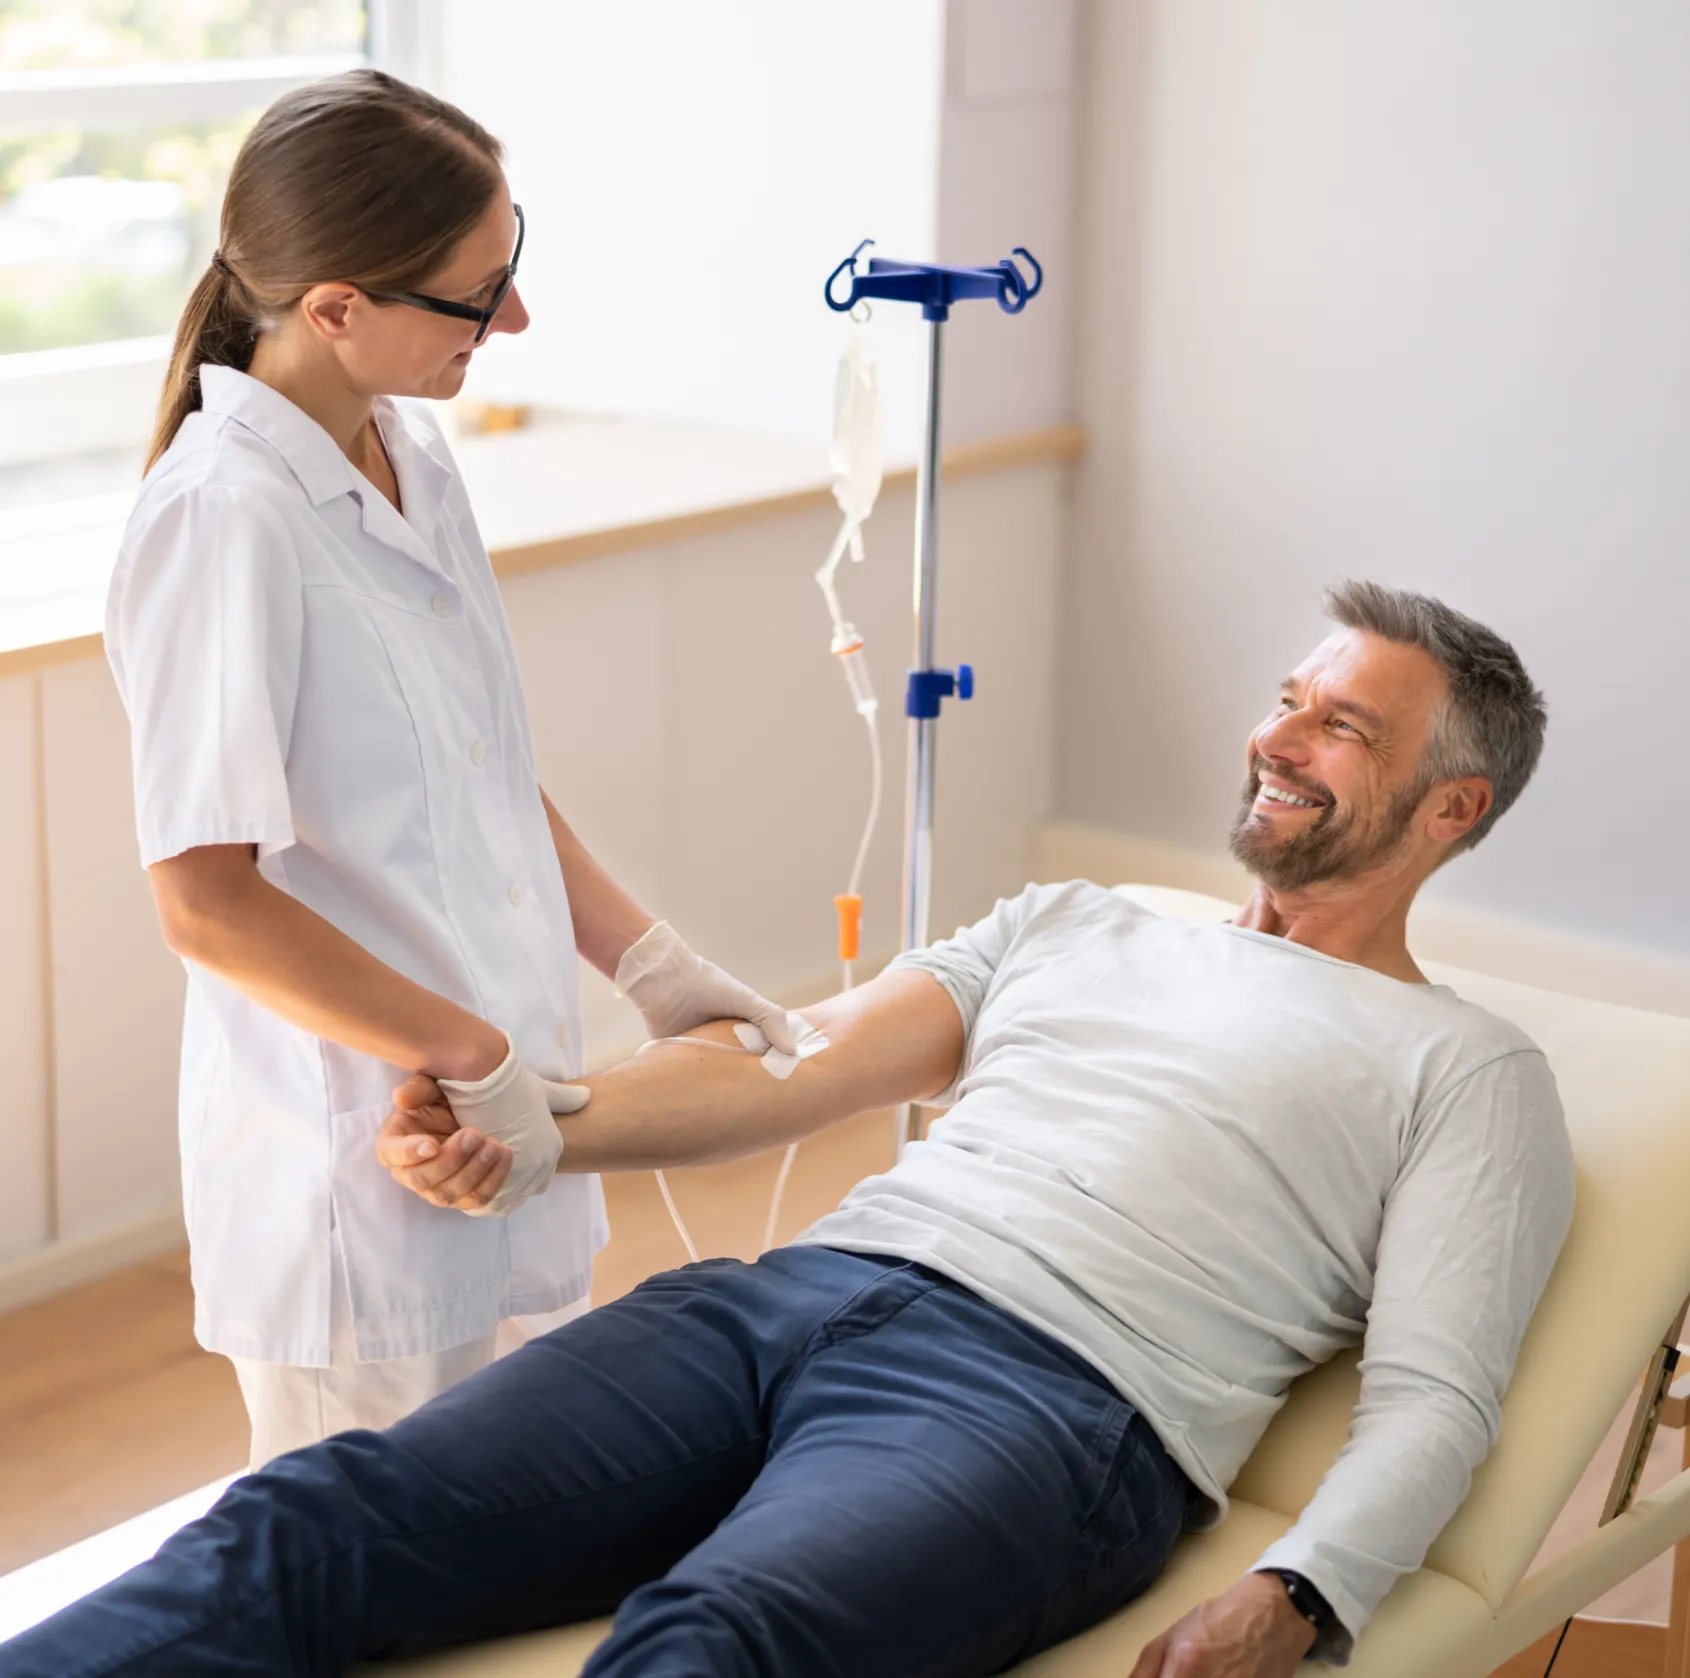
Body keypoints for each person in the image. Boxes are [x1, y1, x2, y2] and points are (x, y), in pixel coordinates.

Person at [6, 583, 1574, 1678]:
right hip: (782, 1301)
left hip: (1051, 1409)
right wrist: (539, 1125)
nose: (1277, 736)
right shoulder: (1077, 920)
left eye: (1342, 730)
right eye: (1287, 699)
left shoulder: (1467, 1067)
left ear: (1453, 808)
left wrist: (1294, 1594)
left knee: (713, 1646)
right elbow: (790, 1065)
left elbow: (1435, 1396)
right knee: (314, 1517)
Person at [107, 68, 795, 1469]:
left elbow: (484, 775)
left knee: (521, 1539)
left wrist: (648, 961)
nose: (516, 320)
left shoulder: (412, 454)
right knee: (378, 1582)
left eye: (509, 267)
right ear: (336, 305)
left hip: (504, 1127)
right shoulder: (221, 518)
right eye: (476, 296)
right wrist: (463, 1053)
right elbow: (206, 901)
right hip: (361, 1165)